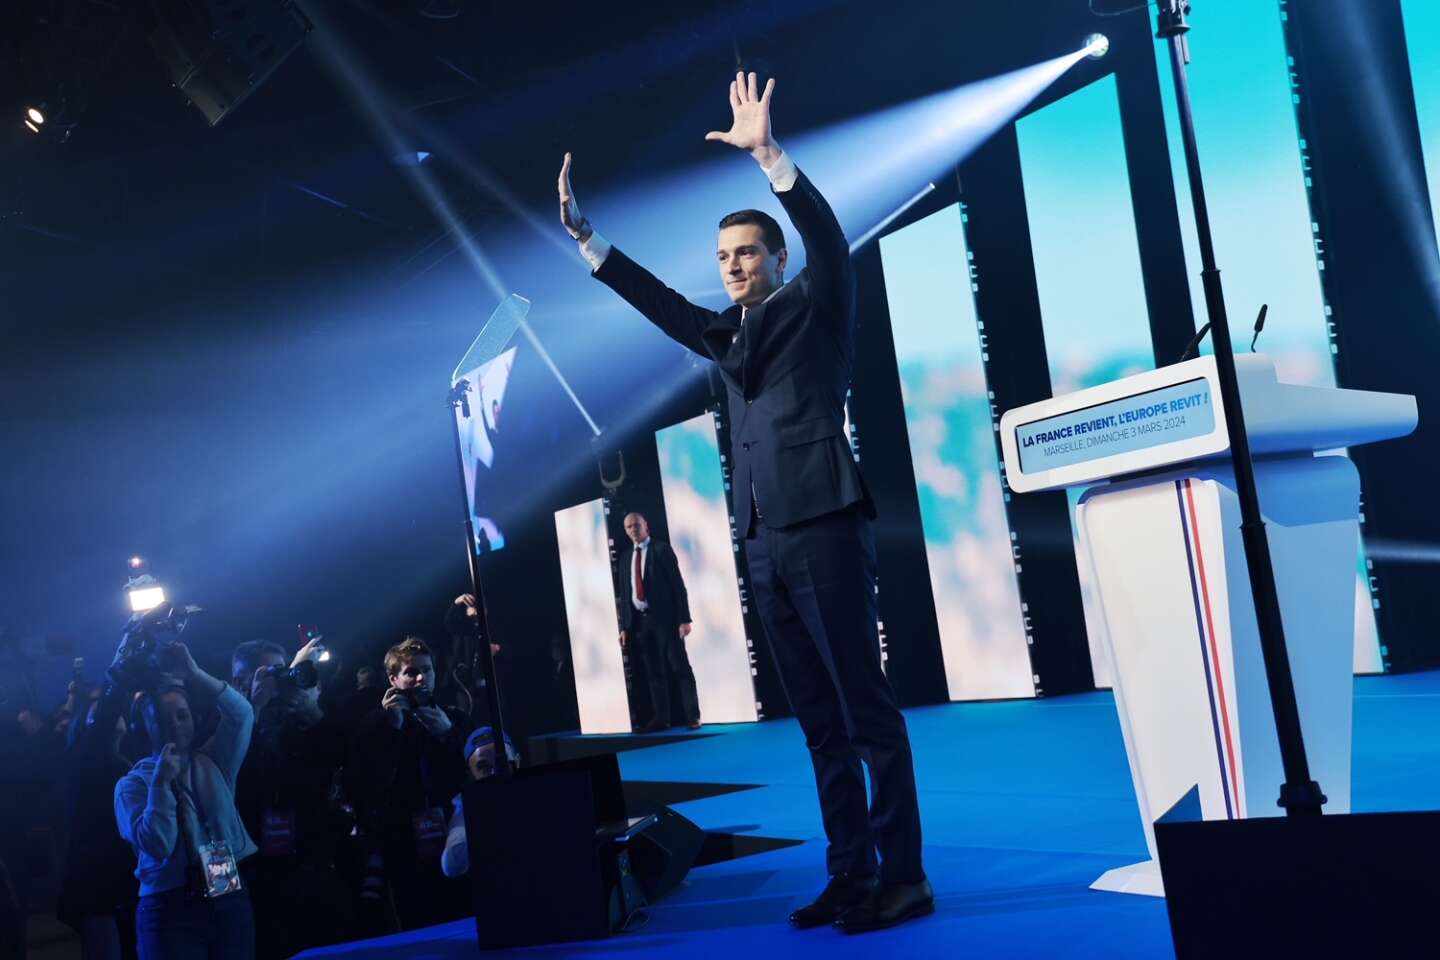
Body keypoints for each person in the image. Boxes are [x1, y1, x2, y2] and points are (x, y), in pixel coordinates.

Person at [558, 72, 931, 933]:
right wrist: (589, 241)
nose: (733, 266)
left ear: (778, 260)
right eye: (724, 257)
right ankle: (851, 872)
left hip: (826, 522)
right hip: (762, 540)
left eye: (748, 254)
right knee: (818, 724)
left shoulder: (817, 303)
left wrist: (770, 158)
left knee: (865, 712)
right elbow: (661, 305)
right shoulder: (724, 334)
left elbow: (828, 238)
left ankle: (905, 875)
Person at [113, 643, 257, 960]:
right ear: (146, 726)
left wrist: (194, 674)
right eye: (164, 719)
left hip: (224, 887)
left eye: (183, 715)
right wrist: (160, 784)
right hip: (168, 904)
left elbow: (242, 714)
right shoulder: (131, 785)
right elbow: (159, 844)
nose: (176, 724)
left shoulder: (213, 759)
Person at [232, 638, 352, 960]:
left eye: (282, 670)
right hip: (257, 872)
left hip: (313, 862)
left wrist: (310, 710)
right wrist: (255, 709)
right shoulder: (226, 724)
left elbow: (342, 756)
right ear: (240, 681)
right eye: (269, 672)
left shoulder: (299, 719)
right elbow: (236, 777)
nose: (280, 678)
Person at [344, 638, 469, 933]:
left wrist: (448, 734)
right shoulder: (374, 725)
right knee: (414, 923)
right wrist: (391, 730)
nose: (422, 678)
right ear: (393, 679)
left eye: (427, 670)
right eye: (412, 672)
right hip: (401, 842)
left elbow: (474, 772)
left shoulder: (454, 718)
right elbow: (364, 785)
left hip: (451, 833)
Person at [615, 512, 700, 732]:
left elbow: (678, 586)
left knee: (680, 667)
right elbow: (625, 594)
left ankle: (693, 716)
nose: (633, 530)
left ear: (646, 525)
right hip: (640, 623)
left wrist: (684, 619)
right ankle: (662, 718)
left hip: (666, 620)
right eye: (629, 527)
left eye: (636, 525)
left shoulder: (662, 550)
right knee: (653, 672)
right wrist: (624, 627)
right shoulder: (625, 558)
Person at [439, 726, 521, 880]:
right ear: (471, 775)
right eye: (484, 768)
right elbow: (452, 863)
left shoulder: (535, 788)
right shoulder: (465, 805)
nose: (495, 773)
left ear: (517, 762)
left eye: (502, 764)